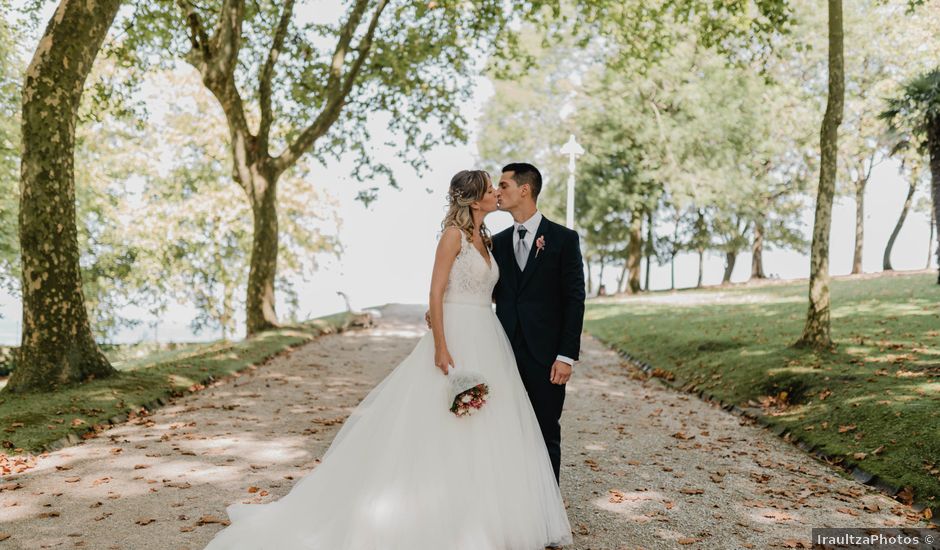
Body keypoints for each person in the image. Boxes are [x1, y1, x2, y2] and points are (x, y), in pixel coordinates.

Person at [203, 169, 572, 549]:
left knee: (491, 426)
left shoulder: (487, 239)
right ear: (475, 199)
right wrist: (441, 343)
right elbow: (435, 289)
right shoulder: (452, 237)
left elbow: (490, 290)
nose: (496, 192)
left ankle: (484, 517)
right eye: (491, 188)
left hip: (488, 337)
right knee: (441, 422)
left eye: (500, 186)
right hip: (458, 337)